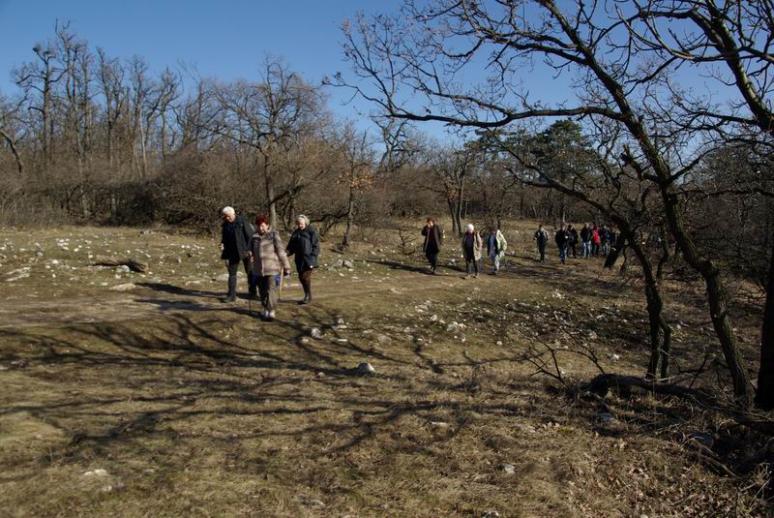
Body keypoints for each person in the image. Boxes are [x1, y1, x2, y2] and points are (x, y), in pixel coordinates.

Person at [248, 215, 291, 321]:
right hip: (258, 269)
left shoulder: (273, 235)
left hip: (272, 268)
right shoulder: (254, 237)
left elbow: (281, 251)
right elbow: (249, 249)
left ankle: (271, 310)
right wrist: (250, 253)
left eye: (263, 226)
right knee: (262, 291)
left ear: (267, 225)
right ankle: (264, 307)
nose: (261, 228)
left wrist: (286, 266)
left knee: (271, 290)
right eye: (258, 226)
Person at [219, 206, 255, 302]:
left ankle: (253, 292)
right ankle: (231, 295)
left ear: (233, 214)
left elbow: (251, 236)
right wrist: (222, 244)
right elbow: (224, 238)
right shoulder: (225, 225)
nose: (226, 218)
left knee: (250, 271)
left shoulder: (242, 222)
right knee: (232, 273)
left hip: (245, 250)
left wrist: (252, 250)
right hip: (232, 252)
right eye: (225, 216)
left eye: (228, 216)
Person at [286, 214, 320, 305]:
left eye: (301, 223)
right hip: (299, 259)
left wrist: (313, 259)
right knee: (301, 278)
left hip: (309, 259)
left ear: (305, 222)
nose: (300, 225)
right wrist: (285, 254)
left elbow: (316, 246)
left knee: (305, 277)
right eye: (298, 223)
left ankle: (307, 297)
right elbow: (291, 247)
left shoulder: (311, 231)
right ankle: (308, 295)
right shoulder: (296, 233)